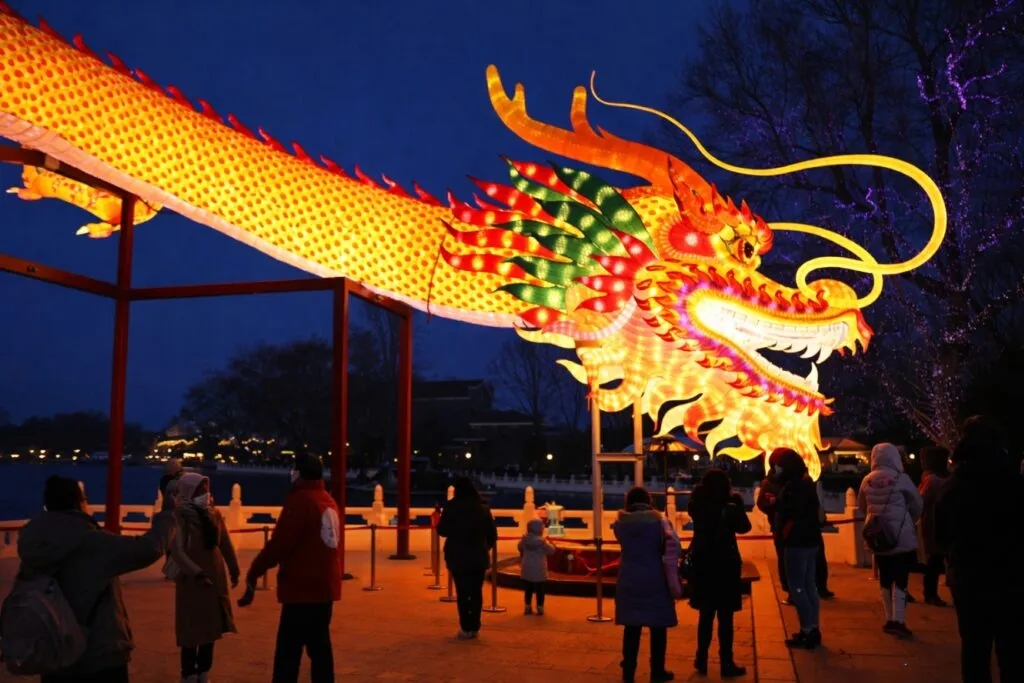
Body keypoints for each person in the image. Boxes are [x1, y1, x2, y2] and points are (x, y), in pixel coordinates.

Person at [15, 475, 175, 683]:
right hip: (99, 653)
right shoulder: (92, 542)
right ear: (79, 503)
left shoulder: (32, 544)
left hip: (54, 649)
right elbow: (148, 548)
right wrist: (169, 513)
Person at [935, 416, 1024, 683]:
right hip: (1012, 576)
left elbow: (941, 533)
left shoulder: (955, 483)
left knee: (975, 648)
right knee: (1012, 649)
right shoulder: (1014, 481)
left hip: (969, 577)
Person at [242, 454, 341, 683]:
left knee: (288, 654)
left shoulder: (300, 502)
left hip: (301, 589)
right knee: (320, 651)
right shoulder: (329, 500)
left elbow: (279, 545)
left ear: (299, 473)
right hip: (325, 589)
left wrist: (255, 570)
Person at [170, 473, 240, 683]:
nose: (206, 494)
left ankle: (204, 670)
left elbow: (225, 543)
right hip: (191, 579)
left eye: (207, 489)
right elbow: (176, 550)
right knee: (191, 627)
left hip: (214, 577)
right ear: (189, 492)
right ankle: (188, 672)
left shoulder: (214, 514)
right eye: (201, 490)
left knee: (211, 627)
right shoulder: (180, 516)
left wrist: (234, 568)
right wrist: (195, 572)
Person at [687, 469, 751, 678]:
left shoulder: (697, 505)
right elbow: (744, 527)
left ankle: (701, 658)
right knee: (725, 618)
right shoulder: (729, 507)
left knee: (705, 615)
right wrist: (738, 505)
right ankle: (726, 662)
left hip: (703, 563)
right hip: (725, 565)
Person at [613, 487, 681, 683]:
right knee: (658, 627)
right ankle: (657, 670)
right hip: (654, 577)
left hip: (628, 577)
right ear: (648, 500)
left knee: (631, 628)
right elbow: (674, 545)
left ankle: (629, 672)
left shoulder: (620, 524)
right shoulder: (660, 523)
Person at [857, 443, 922, 638]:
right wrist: (910, 518)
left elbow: (862, 507)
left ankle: (888, 619)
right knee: (901, 579)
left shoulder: (866, 480)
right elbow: (917, 503)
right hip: (900, 536)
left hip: (879, 537)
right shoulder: (901, 479)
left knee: (884, 578)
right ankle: (899, 621)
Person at [772, 448, 823, 649]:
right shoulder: (807, 484)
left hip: (796, 541)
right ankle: (813, 627)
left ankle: (807, 630)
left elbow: (788, 513)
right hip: (811, 540)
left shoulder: (793, 488)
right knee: (809, 585)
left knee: (798, 587)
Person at [437, 476, 498, 639]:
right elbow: (492, 534)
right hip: (478, 555)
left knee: (462, 592)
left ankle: (465, 627)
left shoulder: (452, 507)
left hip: (457, 555)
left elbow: (441, 530)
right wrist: (485, 547)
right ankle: (475, 626)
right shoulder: (483, 508)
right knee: (476, 591)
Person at [917, 445, 950, 607]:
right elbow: (920, 502)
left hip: (937, 524)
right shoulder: (932, 481)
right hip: (932, 525)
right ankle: (930, 594)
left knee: (935, 561)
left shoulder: (934, 479)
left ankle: (931, 593)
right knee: (933, 563)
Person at [756, 450, 790, 603]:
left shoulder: (796, 480)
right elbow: (761, 503)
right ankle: (790, 590)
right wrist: (773, 507)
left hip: (797, 527)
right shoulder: (769, 483)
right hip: (779, 527)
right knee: (784, 559)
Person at [517, 517, 555, 615]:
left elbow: (519, 547)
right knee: (540, 589)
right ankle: (540, 607)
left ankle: (527, 606)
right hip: (539, 568)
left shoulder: (524, 539)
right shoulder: (542, 542)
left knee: (528, 589)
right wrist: (550, 543)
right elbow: (552, 551)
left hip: (527, 567)